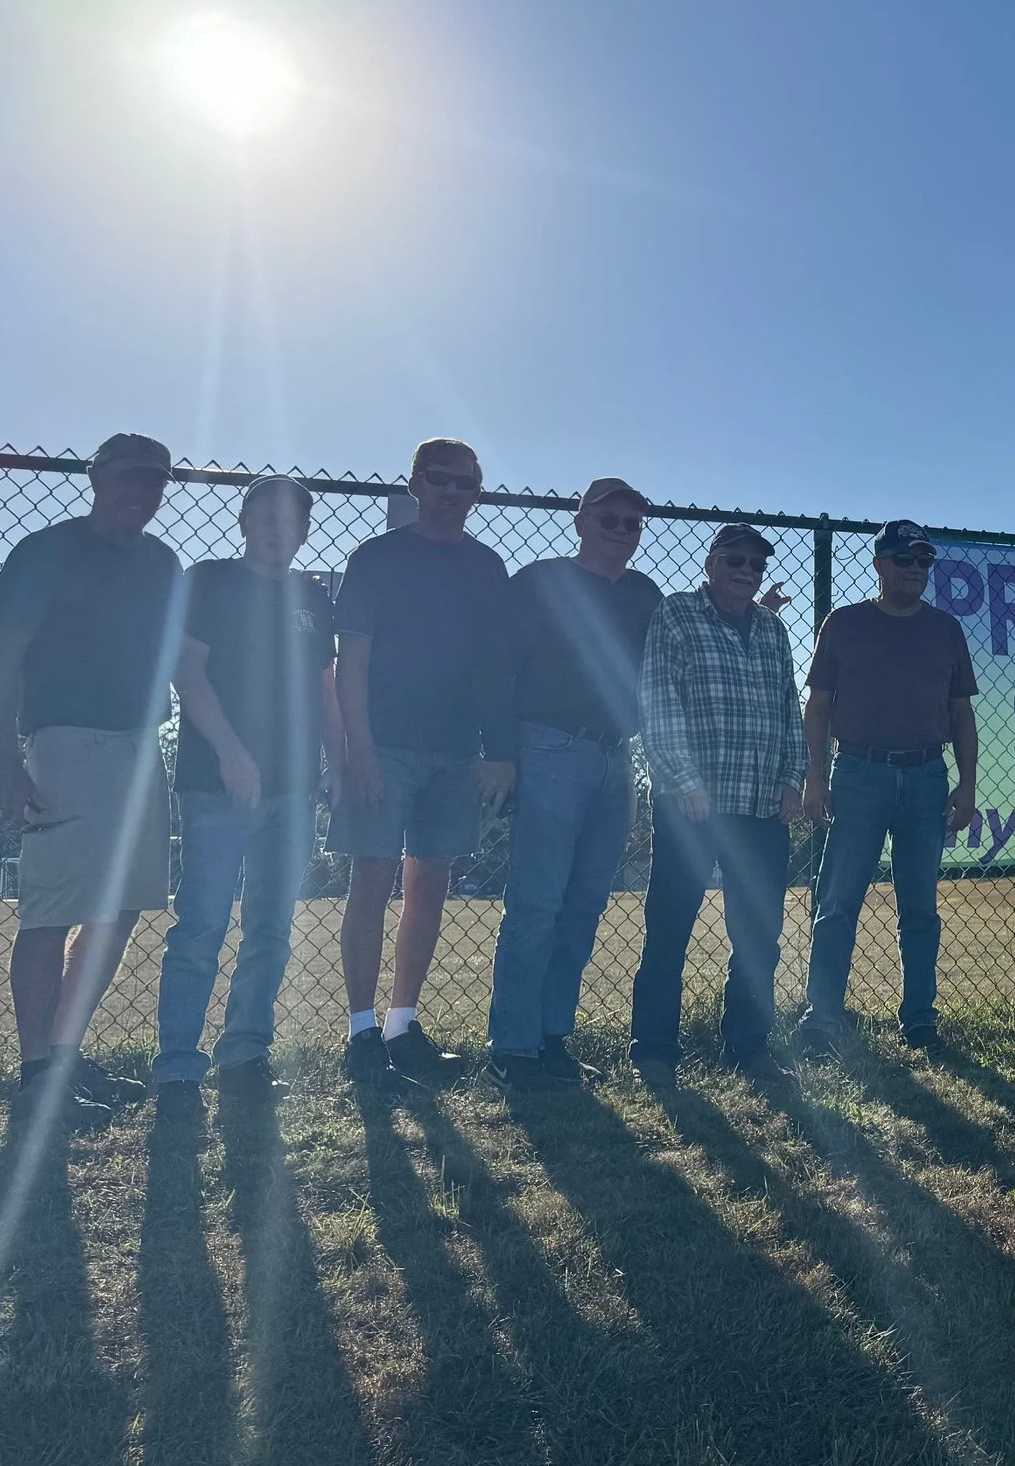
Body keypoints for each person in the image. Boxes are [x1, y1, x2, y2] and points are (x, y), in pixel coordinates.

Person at [0, 432, 184, 1130]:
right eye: (129, 477)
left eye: (154, 481)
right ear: (96, 477)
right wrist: (5, 758)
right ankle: (37, 1072)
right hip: (66, 740)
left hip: (140, 745)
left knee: (120, 909)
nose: (142, 491)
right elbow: (0, 660)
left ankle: (64, 1056)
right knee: (52, 909)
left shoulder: (161, 561)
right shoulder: (46, 550)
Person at [330, 438, 514, 1088]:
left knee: (429, 883)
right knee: (372, 879)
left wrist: (499, 751)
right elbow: (351, 660)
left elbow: (496, 666)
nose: (451, 492)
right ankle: (360, 1032)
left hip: (457, 749)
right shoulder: (376, 558)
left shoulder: (487, 566)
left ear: (478, 491)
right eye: (439, 479)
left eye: (465, 483)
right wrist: (359, 750)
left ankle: (401, 1025)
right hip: (386, 746)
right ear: (414, 484)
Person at [153, 474, 339, 1107]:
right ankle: (178, 1068)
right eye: (265, 518)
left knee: (271, 928)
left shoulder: (311, 598)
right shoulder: (209, 580)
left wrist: (336, 764)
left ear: (304, 531)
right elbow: (187, 671)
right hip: (216, 784)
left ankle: (245, 1054)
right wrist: (232, 753)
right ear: (243, 522)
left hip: (293, 790)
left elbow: (324, 687)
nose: (277, 531)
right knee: (201, 925)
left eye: (291, 521)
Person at [481, 478, 664, 1090]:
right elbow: (496, 668)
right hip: (549, 747)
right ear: (581, 521)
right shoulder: (541, 581)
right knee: (537, 903)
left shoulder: (643, 593)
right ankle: (512, 1048)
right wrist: (499, 753)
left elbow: (671, 660)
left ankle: (552, 1037)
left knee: (584, 905)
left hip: (618, 756)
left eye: (633, 524)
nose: (622, 532)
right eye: (610, 520)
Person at [632, 522, 807, 1090]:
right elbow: (658, 701)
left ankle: (748, 1046)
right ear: (711, 564)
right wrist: (684, 780)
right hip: (693, 807)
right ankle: (654, 1049)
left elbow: (789, 706)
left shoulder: (772, 629)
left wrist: (793, 778)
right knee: (670, 929)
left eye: (757, 564)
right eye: (736, 560)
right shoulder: (677, 613)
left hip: (761, 806)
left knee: (759, 935)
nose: (747, 572)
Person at [796, 519, 979, 1052]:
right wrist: (815, 777)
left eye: (925, 561)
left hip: (926, 777)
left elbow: (961, 715)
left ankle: (919, 1019)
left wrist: (967, 785)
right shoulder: (844, 624)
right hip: (858, 774)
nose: (916, 569)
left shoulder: (946, 629)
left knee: (919, 907)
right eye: (905, 560)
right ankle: (822, 1018)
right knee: (838, 902)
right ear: (879, 565)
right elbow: (818, 707)